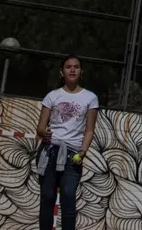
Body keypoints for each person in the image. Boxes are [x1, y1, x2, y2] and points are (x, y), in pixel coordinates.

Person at [35, 54, 99, 230]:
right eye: (68, 67)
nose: (72, 69)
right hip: (49, 152)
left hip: (73, 155)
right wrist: (43, 133)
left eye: (76, 67)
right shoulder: (52, 95)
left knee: (68, 197)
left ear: (81, 71)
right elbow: (40, 127)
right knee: (47, 197)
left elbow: (89, 130)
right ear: (61, 72)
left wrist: (83, 151)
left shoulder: (90, 98)